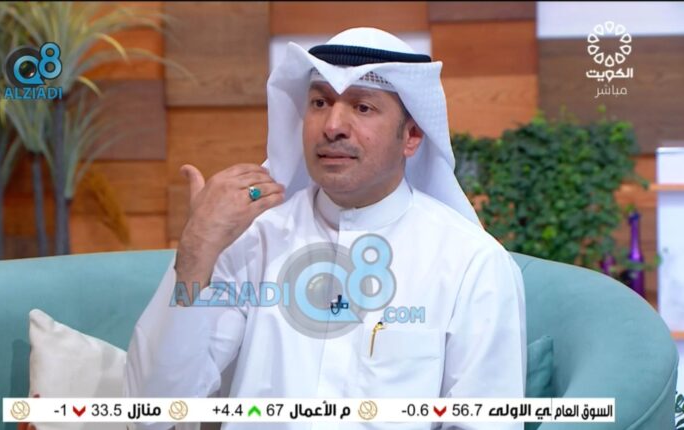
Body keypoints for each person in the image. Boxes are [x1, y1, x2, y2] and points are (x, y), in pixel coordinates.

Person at [124, 27, 527, 430]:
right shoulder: (254, 239)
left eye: (362, 107)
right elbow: (152, 414)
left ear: (412, 135)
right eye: (320, 102)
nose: (332, 125)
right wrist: (197, 249)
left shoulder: (472, 263)